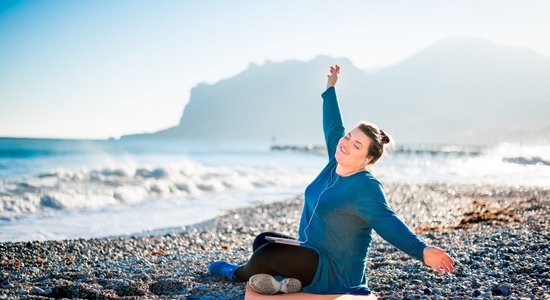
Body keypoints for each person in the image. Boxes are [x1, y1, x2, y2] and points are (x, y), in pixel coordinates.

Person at [208, 64, 455, 296]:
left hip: (334, 271)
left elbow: (388, 223)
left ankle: (235, 273)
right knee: (262, 240)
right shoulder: (334, 162)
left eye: (356, 145)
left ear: (367, 159)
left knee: (267, 254)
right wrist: (330, 89)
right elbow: (333, 125)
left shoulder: (365, 187)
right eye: (348, 137)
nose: (346, 144)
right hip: (310, 250)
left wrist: (422, 251)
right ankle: (285, 284)